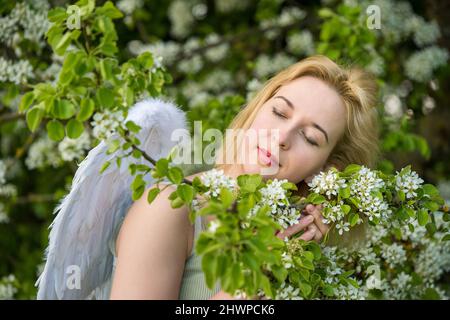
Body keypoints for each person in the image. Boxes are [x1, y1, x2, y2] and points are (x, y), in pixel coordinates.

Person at [109, 55, 380, 299]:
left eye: (310, 138)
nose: (282, 137)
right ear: (258, 108)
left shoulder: (301, 244)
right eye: (279, 112)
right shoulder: (171, 207)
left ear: (323, 170)